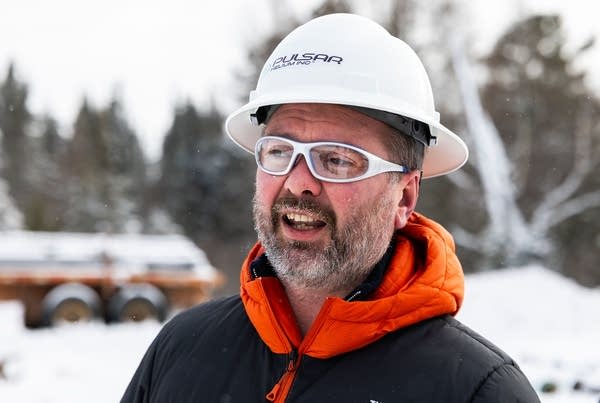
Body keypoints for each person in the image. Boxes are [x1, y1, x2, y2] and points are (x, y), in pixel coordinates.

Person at [121, 13, 540, 403]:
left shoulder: (476, 391)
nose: (299, 181)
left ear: (405, 197)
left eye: (337, 159)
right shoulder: (182, 349)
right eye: (280, 151)